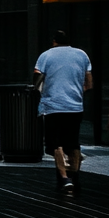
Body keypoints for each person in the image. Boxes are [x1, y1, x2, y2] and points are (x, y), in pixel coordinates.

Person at [33, 30, 92, 194]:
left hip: (53, 106)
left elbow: (37, 77)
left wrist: (37, 89)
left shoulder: (46, 55)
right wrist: (78, 93)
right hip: (75, 106)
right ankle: (75, 175)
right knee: (73, 142)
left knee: (55, 143)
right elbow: (89, 83)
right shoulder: (82, 55)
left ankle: (64, 177)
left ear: (54, 41)